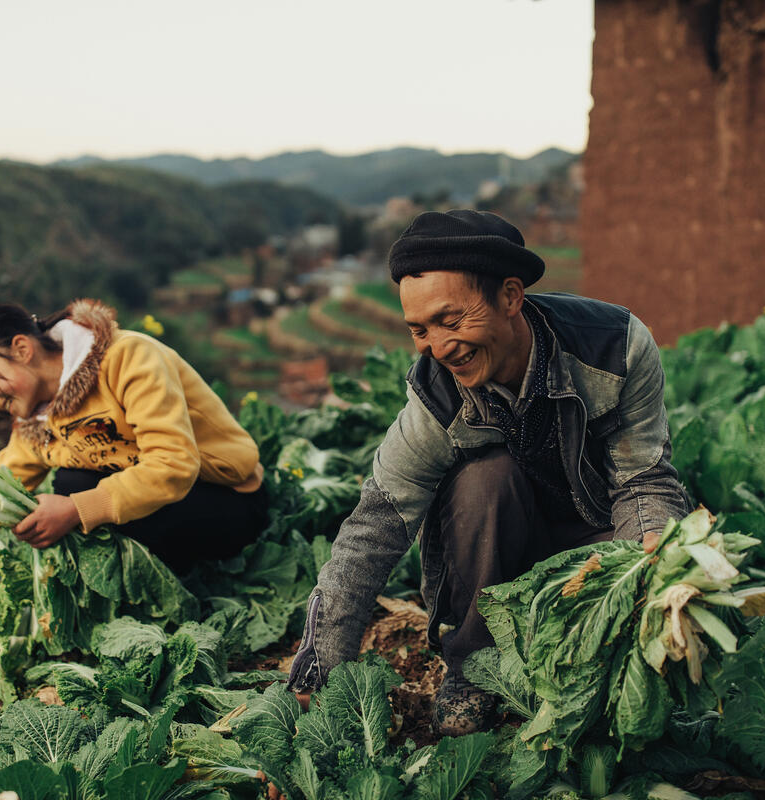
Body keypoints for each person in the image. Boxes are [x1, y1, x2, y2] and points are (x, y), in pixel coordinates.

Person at [285, 210, 691, 735]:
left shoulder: (614, 347)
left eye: (451, 321)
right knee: (482, 480)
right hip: (495, 559)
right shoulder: (436, 398)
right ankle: (473, 667)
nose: (438, 347)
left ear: (510, 297)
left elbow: (644, 479)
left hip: (598, 539)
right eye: (419, 330)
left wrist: (654, 564)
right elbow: (374, 527)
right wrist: (318, 665)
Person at [0, 298, 268, 572]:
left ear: (21, 349)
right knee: (71, 483)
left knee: (73, 489)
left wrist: (74, 510)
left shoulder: (128, 357)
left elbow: (174, 465)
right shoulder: (37, 419)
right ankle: (148, 581)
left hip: (228, 499)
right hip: (164, 507)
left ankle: (185, 580)